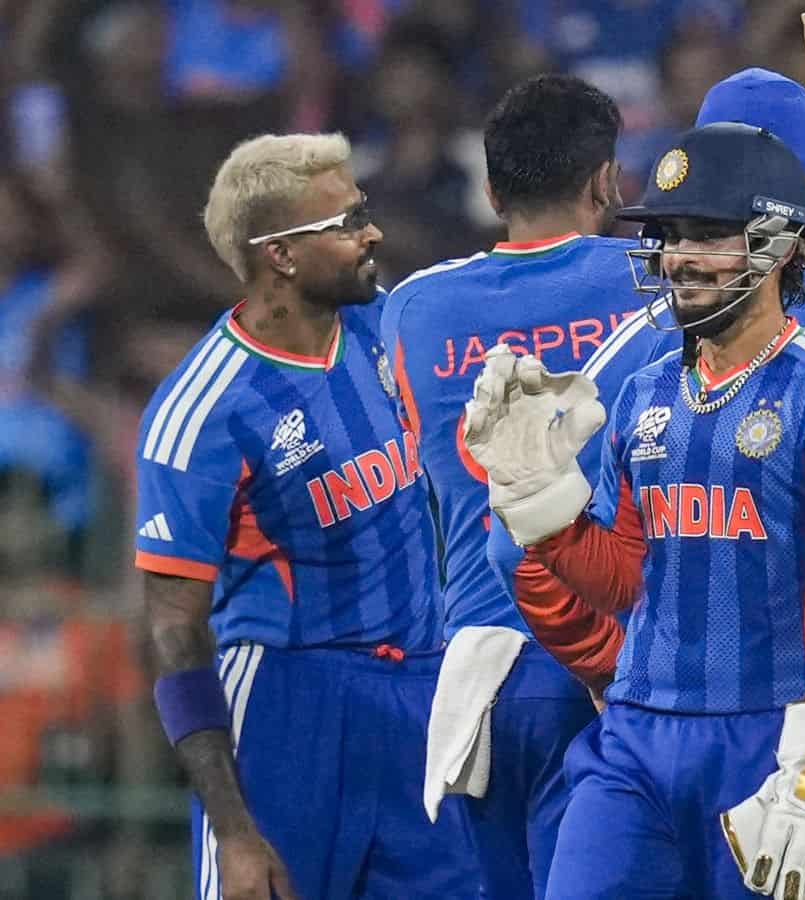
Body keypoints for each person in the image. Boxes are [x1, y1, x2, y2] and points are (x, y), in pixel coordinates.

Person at [466, 122, 805, 899]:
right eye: (670, 235)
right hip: (635, 735)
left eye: (707, 234)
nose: (678, 257)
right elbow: (627, 580)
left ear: (779, 244)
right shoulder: (643, 391)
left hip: (774, 734)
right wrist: (543, 511)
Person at [133, 133, 477, 899]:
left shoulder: (388, 327)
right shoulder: (202, 411)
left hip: (421, 691)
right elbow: (174, 632)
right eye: (347, 221)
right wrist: (233, 830)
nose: (372, 232)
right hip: (288, 709)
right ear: (281, 255)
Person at [379, 73, 634, 898]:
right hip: (610, 659)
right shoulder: (654, 283)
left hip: (480, 677)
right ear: (606, 181)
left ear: (491, 192)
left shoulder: (413, 310)